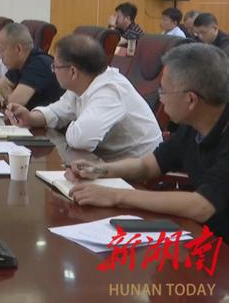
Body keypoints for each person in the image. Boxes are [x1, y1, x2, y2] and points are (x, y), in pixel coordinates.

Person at [66, 44, 229, 239]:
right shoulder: (193, 125)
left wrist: (115, 195)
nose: (161, 98)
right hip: (202, 235)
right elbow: (149, 165)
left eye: (164, 91)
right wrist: (99, 170)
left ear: (191, 100)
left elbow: (202, 206)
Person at [6, 34, 162, 161]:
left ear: (73, 72)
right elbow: (56, 111)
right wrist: (31, 117)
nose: (53, 71)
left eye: (55, 66)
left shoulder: (109, 91)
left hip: (137, 174)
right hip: (105, 162)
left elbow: (81, 140)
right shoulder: (82, 84)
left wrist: (69, 125)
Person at [0, 23, 64, 109]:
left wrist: (4, 94)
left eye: (2, 50)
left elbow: (14, 103)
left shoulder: (39, 64)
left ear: (18, 49)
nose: (0, 56)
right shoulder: (18, 63)